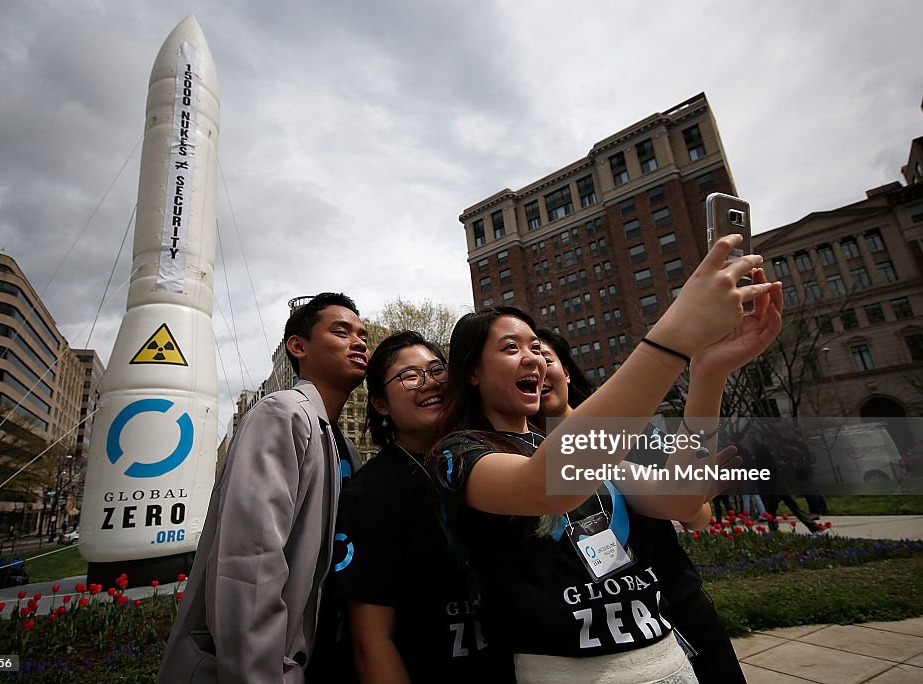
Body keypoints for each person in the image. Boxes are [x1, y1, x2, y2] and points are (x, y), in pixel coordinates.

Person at [428, 235, 781, 683]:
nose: (533, 359)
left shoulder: (562, 442)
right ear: (472, 372)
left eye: (537, 347)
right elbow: (547, 485)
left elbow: (680, 499)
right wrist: (675, 335)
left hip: (666, 657)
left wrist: (708, 371)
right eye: (511, 348)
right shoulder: (458, 454)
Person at [159, 293, 369, 684]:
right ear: (299, 346)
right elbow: (250, 562)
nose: (359, 342)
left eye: (362, 335)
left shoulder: (343, 444)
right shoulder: (283, 413)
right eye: (342, 332)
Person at [534, 327, 746, 684]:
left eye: (544, 358)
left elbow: (698, 519)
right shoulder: (517, 456)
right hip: (595, 633)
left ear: (566, 371)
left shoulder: (630, 429)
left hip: (675, 600)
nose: (536, 371)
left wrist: (687, 499)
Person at [333, 331, 514, 683]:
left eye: (436, 370)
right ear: (381, 403)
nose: (429, 384)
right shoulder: (371, 493)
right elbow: (371, 640)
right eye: (410, 377)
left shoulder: (490, 461)